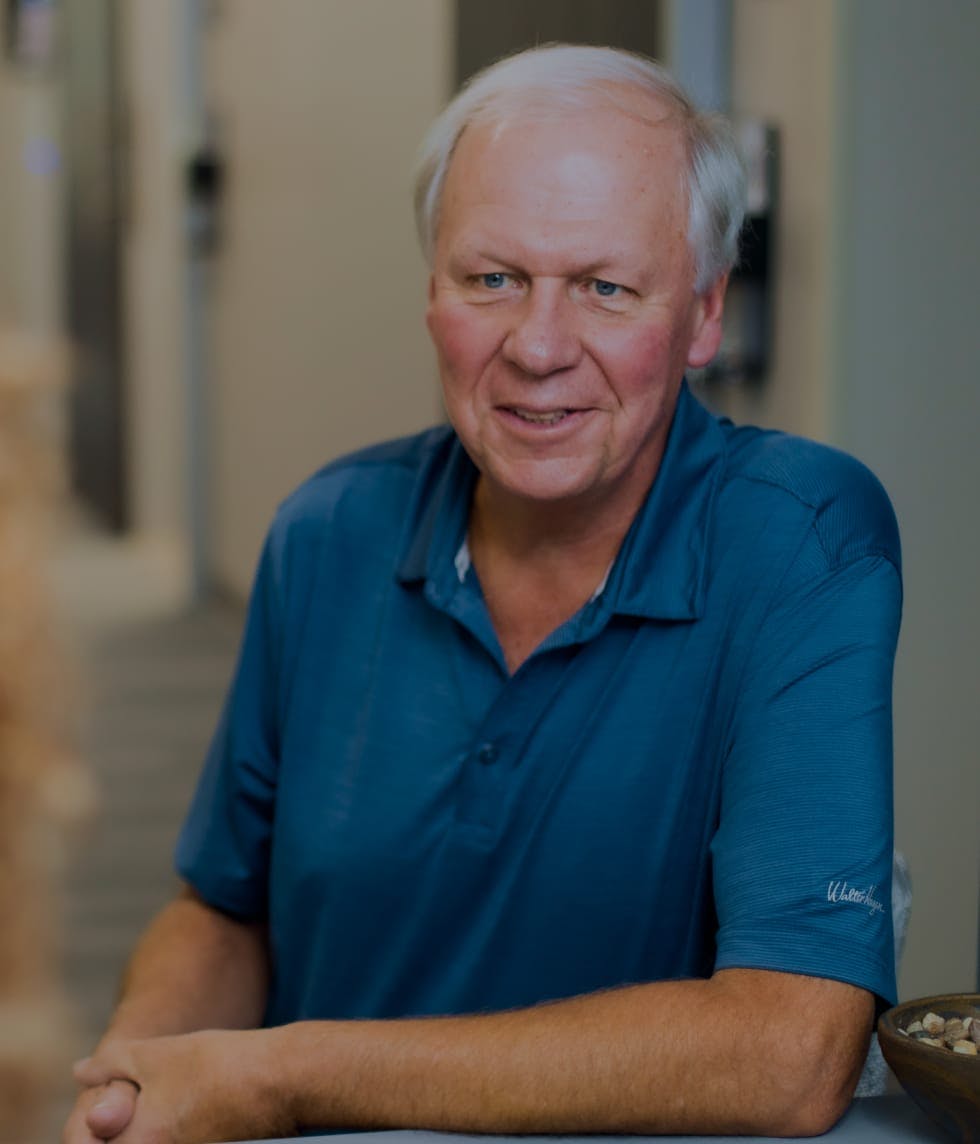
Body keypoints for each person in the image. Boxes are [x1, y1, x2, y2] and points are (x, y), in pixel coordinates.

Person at [64, 44, 902, 1143]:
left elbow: (788, 1053)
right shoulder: (328, 532)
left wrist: (290, 1075)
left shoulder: (800, 540)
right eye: (490, 278)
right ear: (430, 296)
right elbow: (226, 910)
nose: (537, 347)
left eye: (605, 288)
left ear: (702, 315)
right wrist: (136, 1081)